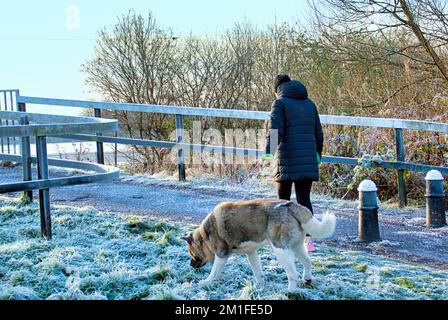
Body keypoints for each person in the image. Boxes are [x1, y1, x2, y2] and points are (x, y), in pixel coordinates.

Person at [264, 73, 324, 252]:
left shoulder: (280, 103)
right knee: (304, 200)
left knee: (282, 201)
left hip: (286, 159)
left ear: (277, 89)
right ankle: (308, 241)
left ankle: (283, 239)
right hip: (307, 159)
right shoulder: (310, 104)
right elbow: (318, 133)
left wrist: (268, 152)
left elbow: (275, 130)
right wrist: (318, 154)